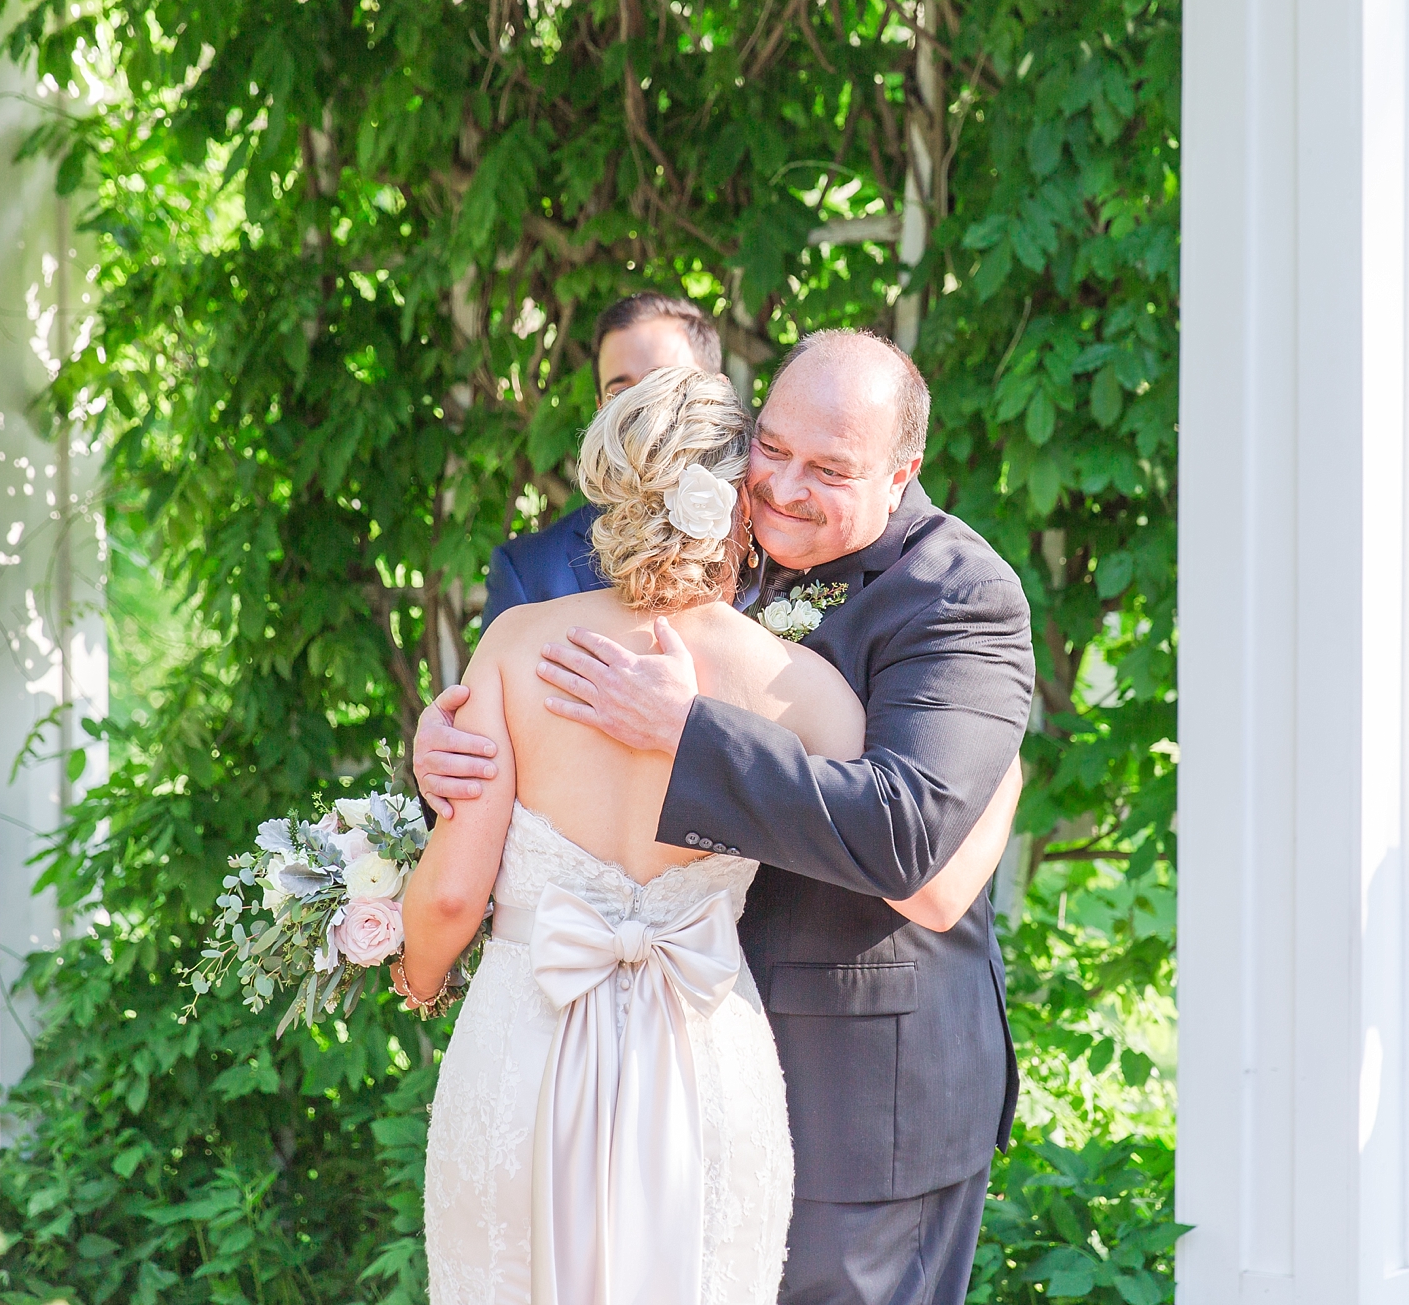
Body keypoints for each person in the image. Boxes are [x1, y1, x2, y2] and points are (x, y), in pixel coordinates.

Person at [417, 330, 1033, 1305]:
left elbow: (916, 845)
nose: (782, 487)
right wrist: (444, 755)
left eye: (827, 469)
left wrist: (688, 733)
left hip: (862, 1096)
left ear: (900, 470)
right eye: (771, 449)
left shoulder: (957, 597)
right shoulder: (718, 545)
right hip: (680, 1065)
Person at [483, 292, 724, 626]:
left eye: (665, 382)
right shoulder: (528, 573)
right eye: (621, 393)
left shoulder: (773, 546)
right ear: (600, 409)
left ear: (717, 394)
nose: (642, 409)